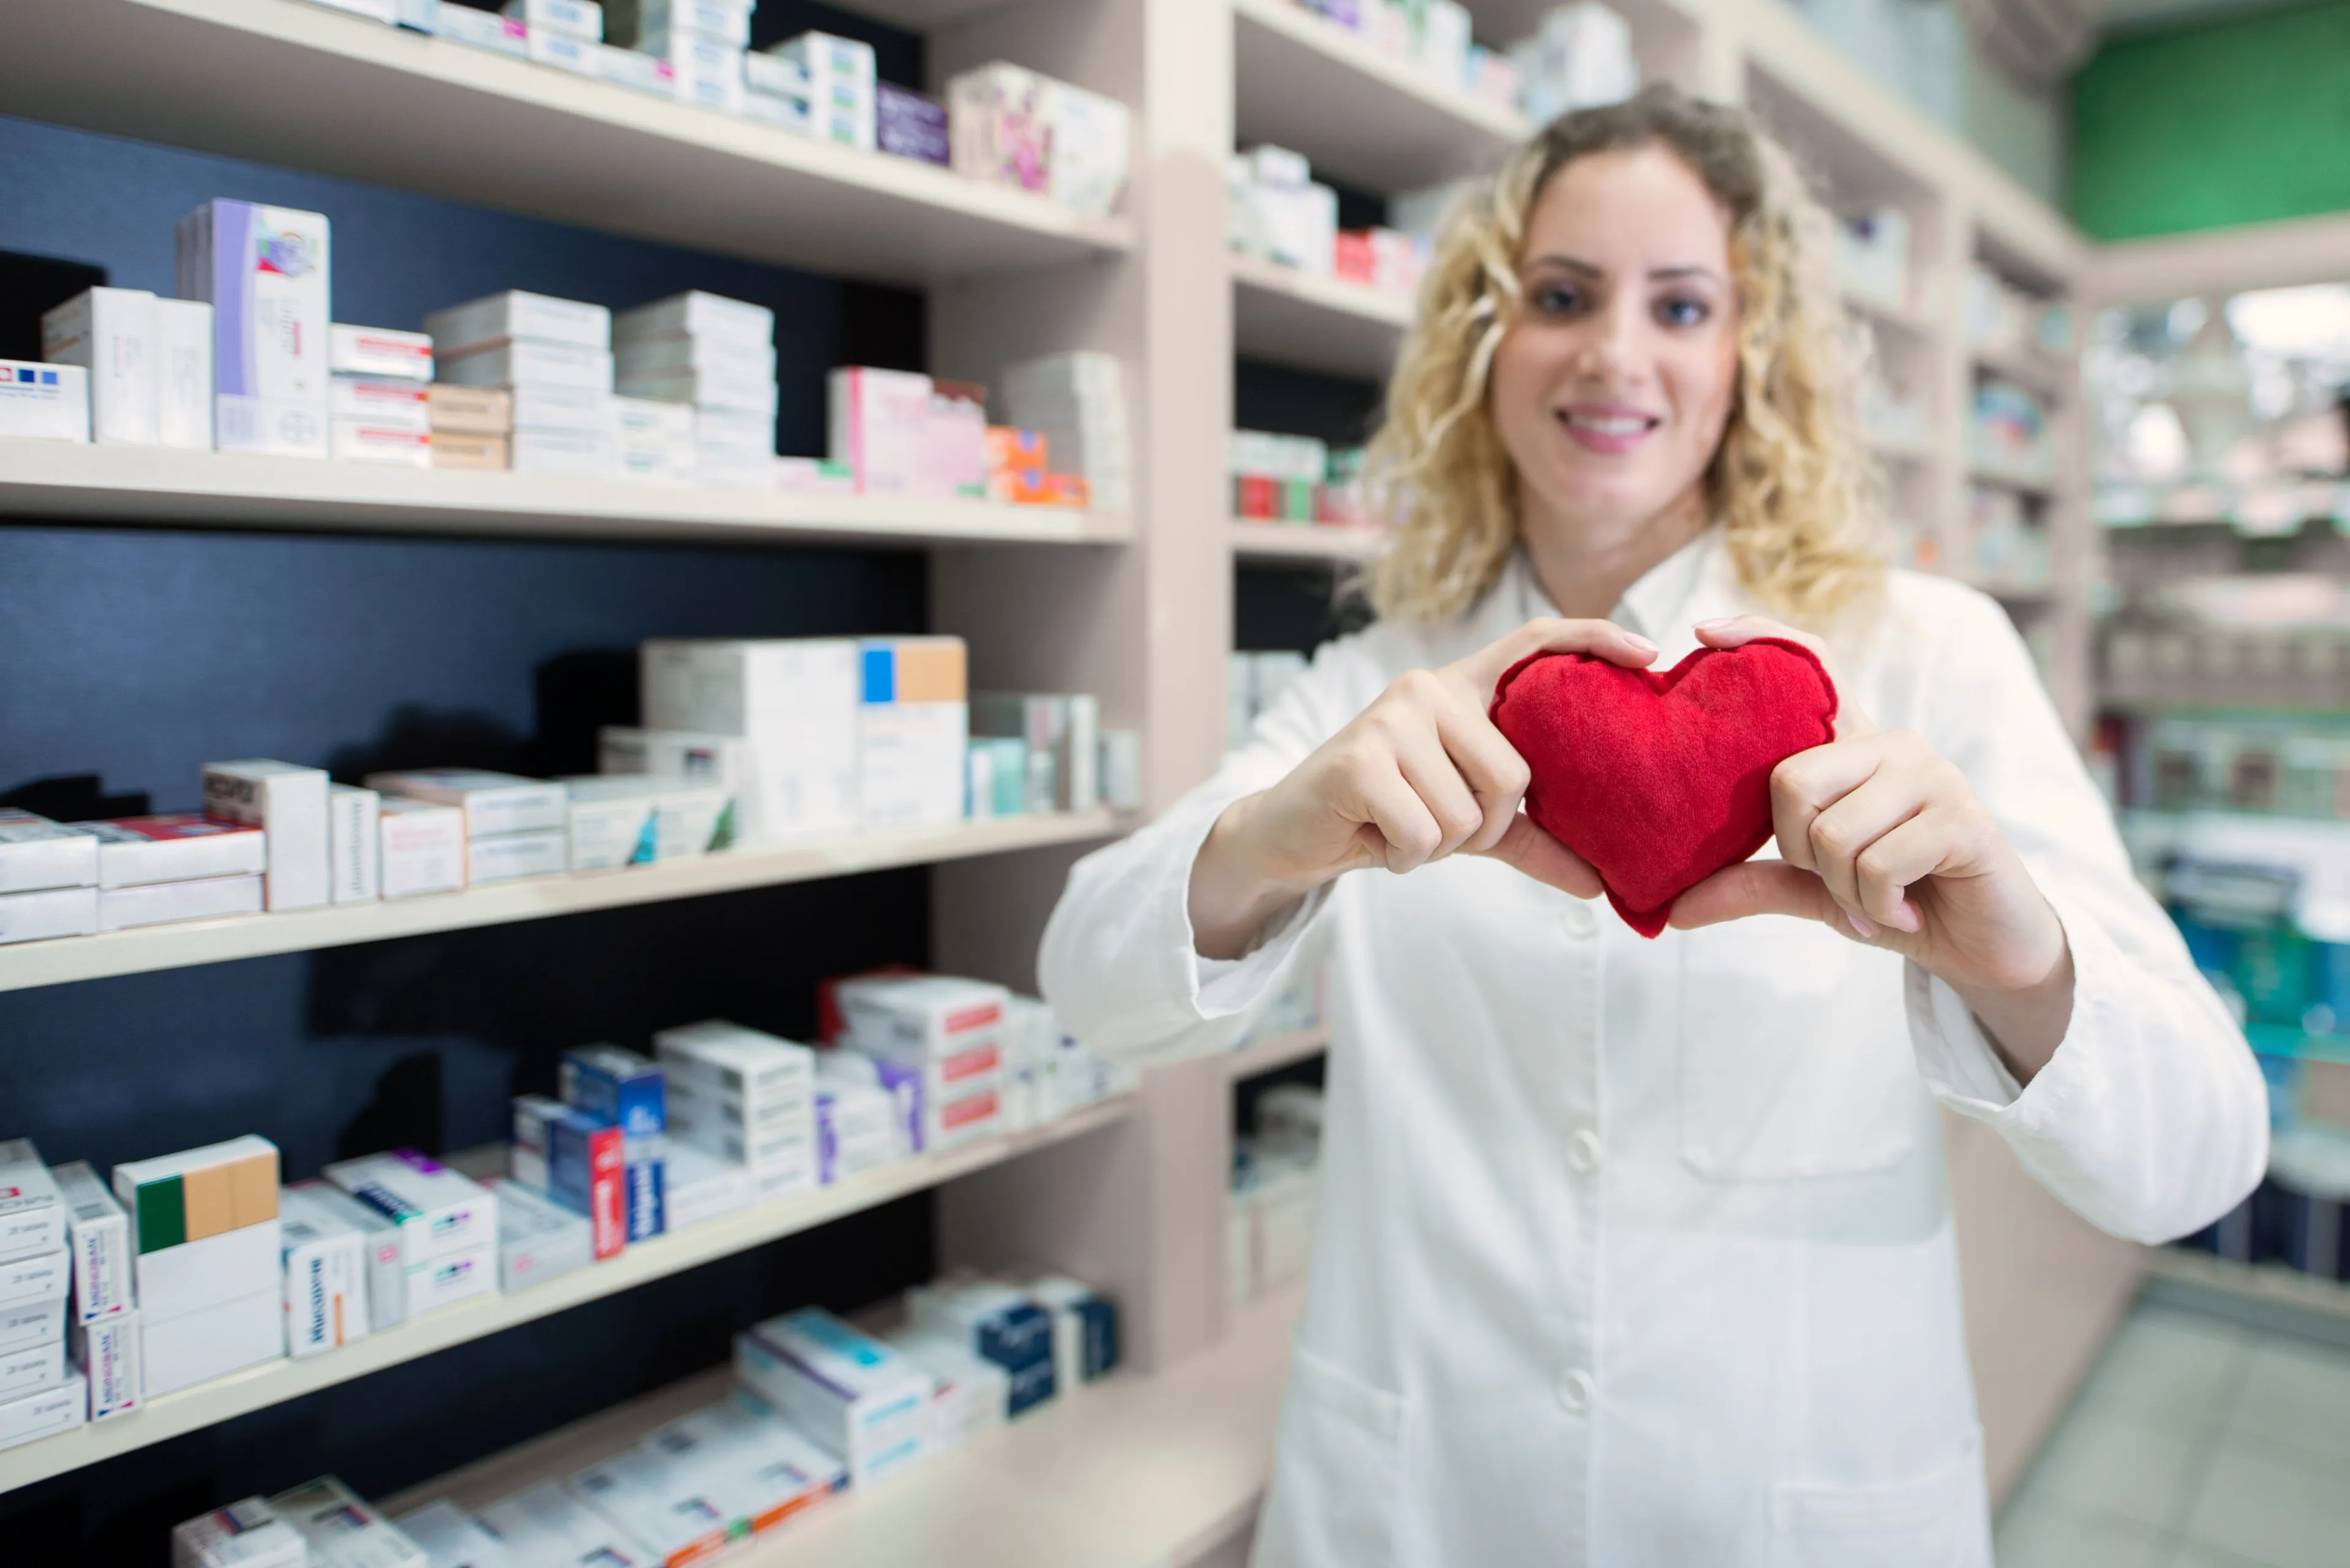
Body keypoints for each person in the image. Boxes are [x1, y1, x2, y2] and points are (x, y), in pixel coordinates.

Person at [1038, 86, 2267, 1566]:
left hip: (1786, 1496)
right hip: (1424, 1496)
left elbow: (2194, 1158)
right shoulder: (1382, 680)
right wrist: (1264, 840)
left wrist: (2019, 960)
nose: (1616, 353)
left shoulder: (1926, 654)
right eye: (1562, 295)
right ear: (1485, 343)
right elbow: (1086, 988)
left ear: (1751, 355)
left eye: (1681, 305)